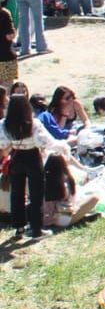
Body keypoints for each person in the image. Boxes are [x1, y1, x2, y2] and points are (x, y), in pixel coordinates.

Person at [1, 93, 53, 237]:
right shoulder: (33, 123)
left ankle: (19, 227)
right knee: (36, 193)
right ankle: (37, 228)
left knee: (17, 193)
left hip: (16, 156)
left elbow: (3, 144)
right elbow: (45, 142)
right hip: (32, 156)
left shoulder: (4, 124)